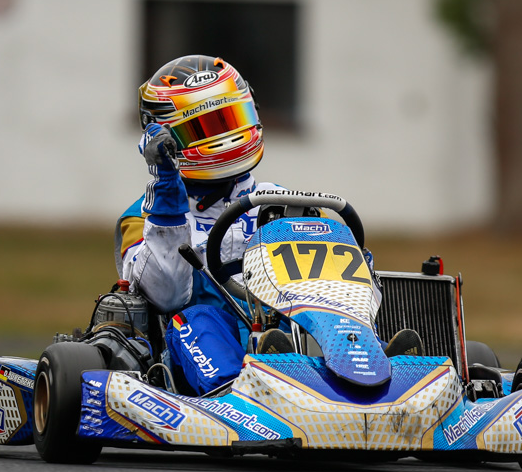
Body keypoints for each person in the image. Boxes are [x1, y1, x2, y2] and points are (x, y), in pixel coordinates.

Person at [115, 55, 421, 396]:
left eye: (232, 119)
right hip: (204, 342)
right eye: (206, 128)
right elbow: (167, 295)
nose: (227, 136)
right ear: (168, 139)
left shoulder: (281, 200)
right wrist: (168, 196)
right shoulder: (145, 217)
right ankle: (232, 390)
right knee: (196, 319)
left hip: (288, 323)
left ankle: (374, 366)